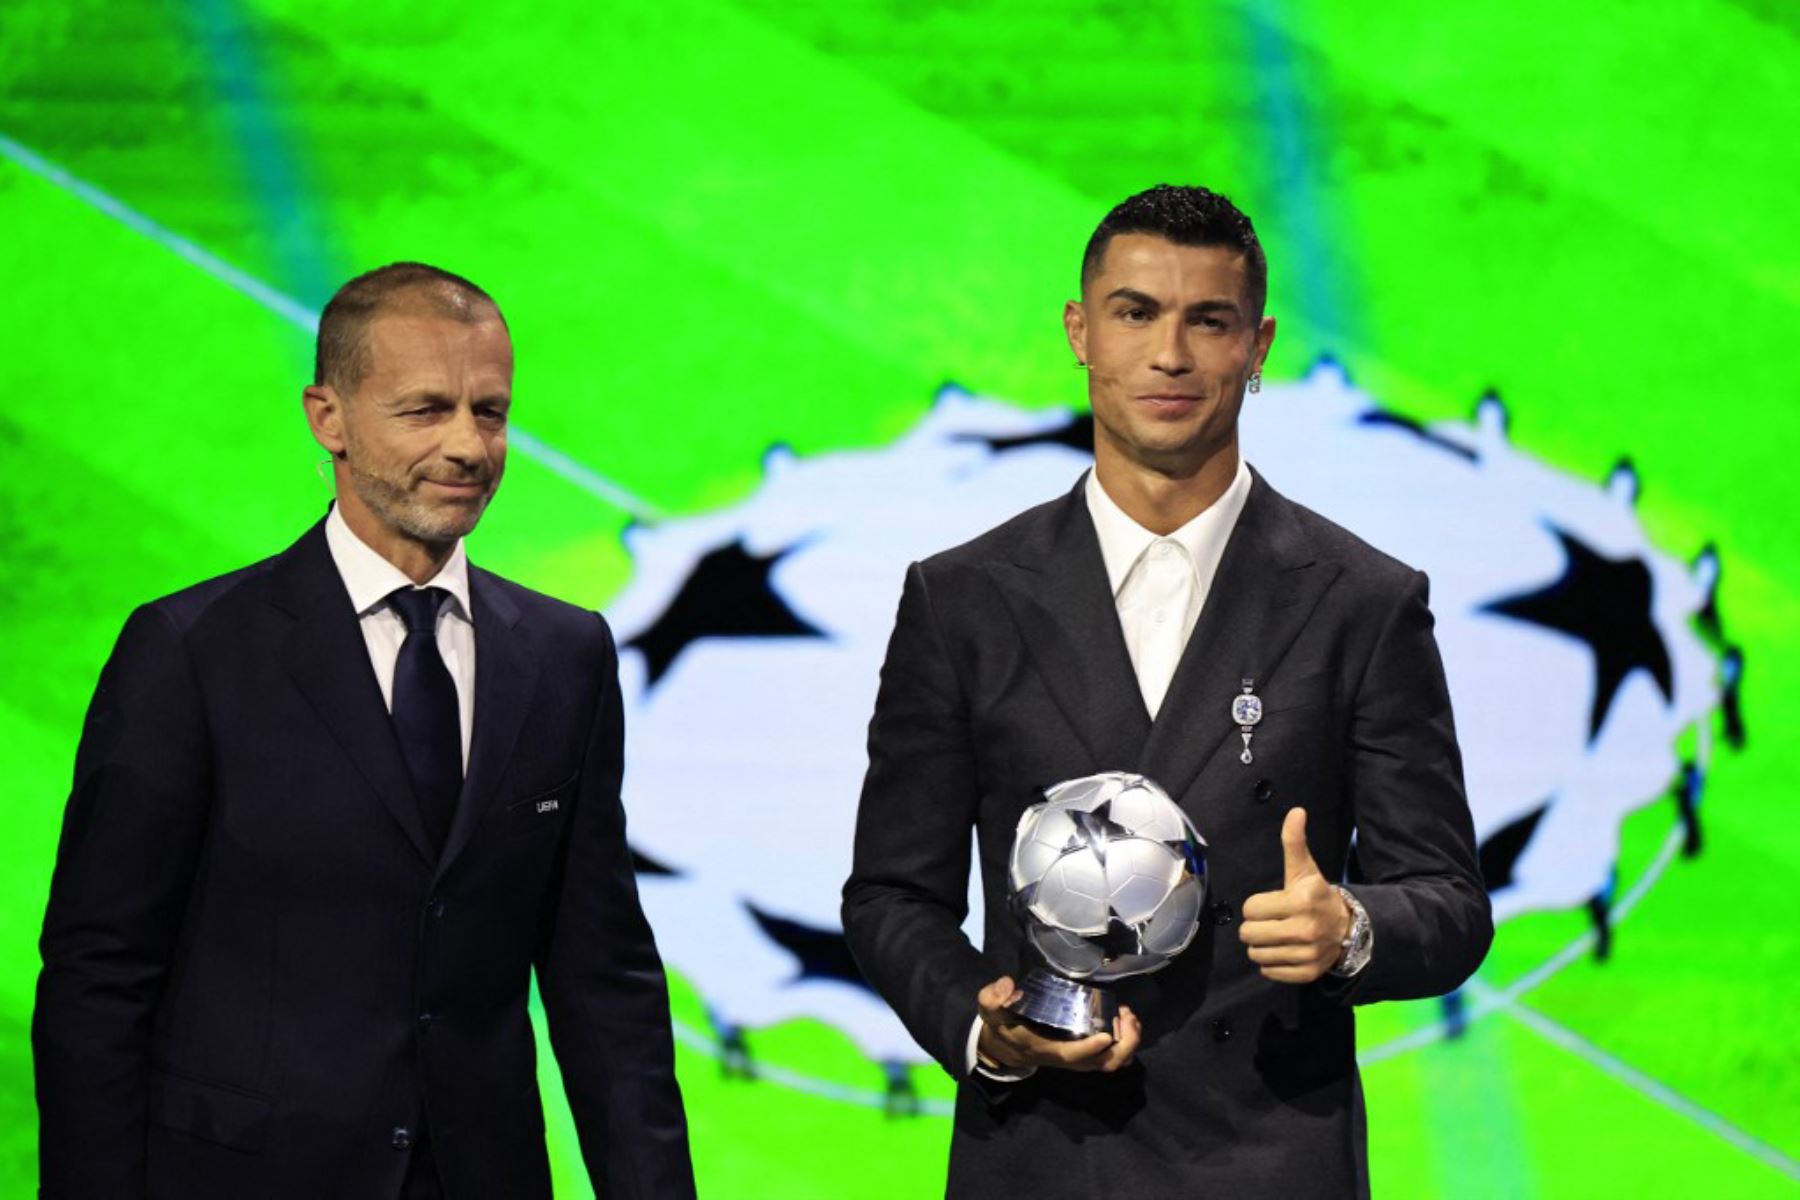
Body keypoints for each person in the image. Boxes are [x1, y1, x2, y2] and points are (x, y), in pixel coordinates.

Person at [842, 185, 1492, 1197]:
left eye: (1210, 321)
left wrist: (1351, 930)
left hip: (1272, 1158)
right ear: (1081, 331)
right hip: (1043, 1157)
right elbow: (892, 894)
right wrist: (995, 1029)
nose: (1171, 355)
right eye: (1136, 313)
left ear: (1259, 345)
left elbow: (1449, 902)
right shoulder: (958, 600)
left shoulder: (1365, 601)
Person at [33, 263, 695, 1199]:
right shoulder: (191, 652)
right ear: (328, 417)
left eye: (491, 411)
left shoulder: (565, 655)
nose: (470, 445)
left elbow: (602, 978)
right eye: (426, 410)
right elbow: (100, 975)